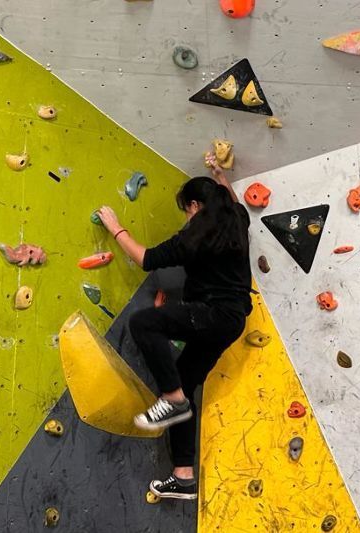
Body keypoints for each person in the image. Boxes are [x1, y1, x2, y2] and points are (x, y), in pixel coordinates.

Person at [96, 154, 253, 499]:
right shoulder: (237, 220)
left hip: (211, 314)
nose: (187, 217)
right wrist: (220, 174)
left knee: (144, 323)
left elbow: (146, 259)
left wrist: (115, 226)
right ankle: (183, 476)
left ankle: (172, 399)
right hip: (232, 321)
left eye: (186, 210)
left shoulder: (194, 237)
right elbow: (233, 199)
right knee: (186, 381)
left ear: (195, 206)